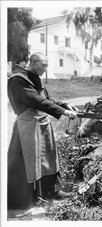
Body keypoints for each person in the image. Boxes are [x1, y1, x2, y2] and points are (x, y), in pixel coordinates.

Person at [7, 52, 78, 209]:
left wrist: (65, 106)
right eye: (43, 65)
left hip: (42, 125)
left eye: (47, 65)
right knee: (26, 163)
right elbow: (36, 100)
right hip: (27, 128)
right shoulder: (17, 80)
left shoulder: (34, 78)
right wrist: (63, 112)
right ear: (33, 61)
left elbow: (47, 99)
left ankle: (52, 192)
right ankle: (23, 200)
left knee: (49, 159)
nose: (46, 69)